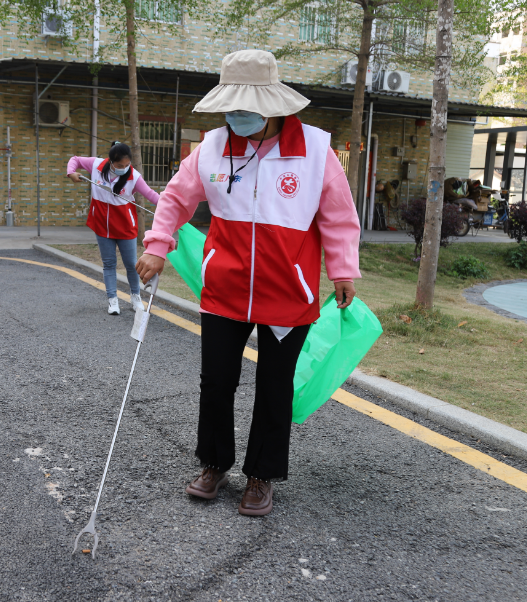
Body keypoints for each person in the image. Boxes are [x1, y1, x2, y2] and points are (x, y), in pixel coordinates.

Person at [135, 50, 361, 517]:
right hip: (225, 291)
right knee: (216, 382)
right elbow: (176, 198)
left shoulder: (316, 150)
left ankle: (261, 476)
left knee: (274, 387)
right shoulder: (213, 146)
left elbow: (339, 216)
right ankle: (214, 464)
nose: (235, 117)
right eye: (231, 109)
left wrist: (342, 269)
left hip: (288, 292)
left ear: (273, 105)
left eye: (245, 109)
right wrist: (158, 244)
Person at [68, 143, 160, 315]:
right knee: (109, 263)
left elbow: (151, 195)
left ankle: (135, 298)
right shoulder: (96, 165)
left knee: (132, 265)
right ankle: (112, 300)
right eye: (119, 166)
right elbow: (75, 160)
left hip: (125, 225)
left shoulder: (134, 176)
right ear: (111, 162)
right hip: (102, 224)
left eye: (127, 165)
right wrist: (71, 173)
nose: (124, 169)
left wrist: (170, 207)